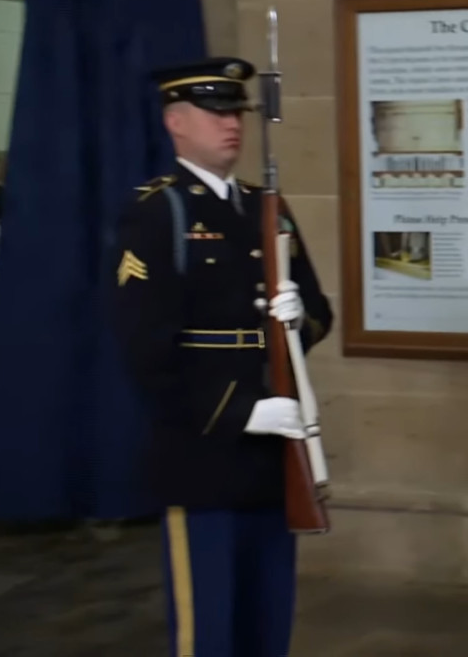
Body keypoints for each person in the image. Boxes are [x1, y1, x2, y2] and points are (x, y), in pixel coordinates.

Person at [109, 57, 333, 656]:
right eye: (214, 113)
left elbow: (318, 312)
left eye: (235, 111)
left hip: (272, 456)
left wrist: (296, 318)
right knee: (210, 629)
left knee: (268, 622)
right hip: (202, 454)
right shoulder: (157, 213)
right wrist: (242, 413)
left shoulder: (267, 206)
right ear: (176, 122)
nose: (230, 124)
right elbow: (145, 351)